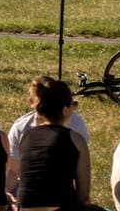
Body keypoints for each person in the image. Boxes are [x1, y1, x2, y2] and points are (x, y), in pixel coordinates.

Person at [14, 76, 91, 211]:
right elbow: (83, 195)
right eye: (73, 105)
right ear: (65, 110)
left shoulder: (25, 136)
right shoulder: (75, 139)